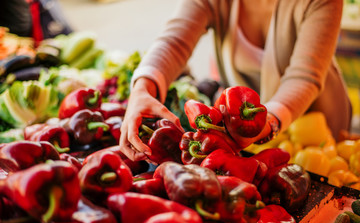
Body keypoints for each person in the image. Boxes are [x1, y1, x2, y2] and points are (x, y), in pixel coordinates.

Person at [119, 0, 352, 161]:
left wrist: (267, 123)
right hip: (243, 126)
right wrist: (142, 88)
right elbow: (174, 42)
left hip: (314, 121)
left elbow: (304, 77)